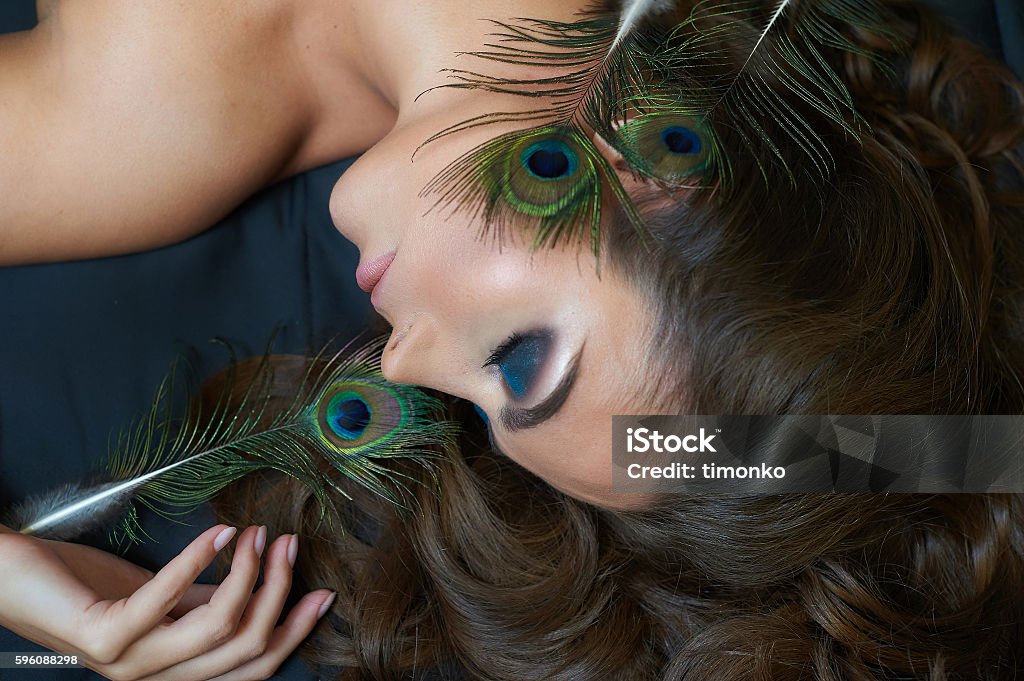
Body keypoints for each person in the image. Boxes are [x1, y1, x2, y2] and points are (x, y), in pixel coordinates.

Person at [1, 0, 1022, 679]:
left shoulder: (153, 126)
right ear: (661, 169)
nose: (400, 362)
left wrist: (29, 594)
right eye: (520, 360)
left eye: (481, 410)